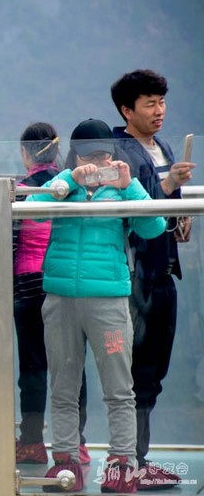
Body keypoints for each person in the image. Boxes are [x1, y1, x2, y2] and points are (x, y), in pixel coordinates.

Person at [28, 119, 166, 494]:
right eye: (88, 156)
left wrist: (129, 186)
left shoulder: (122, 190)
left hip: (109, 301)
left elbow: (154, 227)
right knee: (63, 386)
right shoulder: (61, 187)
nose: (97, 163)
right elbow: (31, 210)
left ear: (113, 155)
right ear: (74, 156)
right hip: (60, 299)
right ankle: (65, 463)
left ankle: (123, 464)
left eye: (103, 155)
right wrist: (68, 181)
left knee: (119, 387)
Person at [110, 69, 195, 490]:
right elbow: (136, 204)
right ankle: (128, 460)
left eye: (161, 102)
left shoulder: (160, 146)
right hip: (136, 273)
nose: (159, 111)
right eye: (149, 104)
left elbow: (163, 203)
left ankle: (137, 458)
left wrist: (180, 213)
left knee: (153, 369)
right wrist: (170, 183)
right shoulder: (118, 151)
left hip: (163, 269)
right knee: (135, 370)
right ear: (127, 110)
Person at [13, 123, 90, 465]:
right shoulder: (69, 187)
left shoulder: (20, 190)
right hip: (63, 280)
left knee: (33, 367)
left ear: (24, 153)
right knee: (72, 364)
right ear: (57, 152)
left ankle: (32, 442)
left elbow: (9, 241)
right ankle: (76, 443)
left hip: (28, 283)